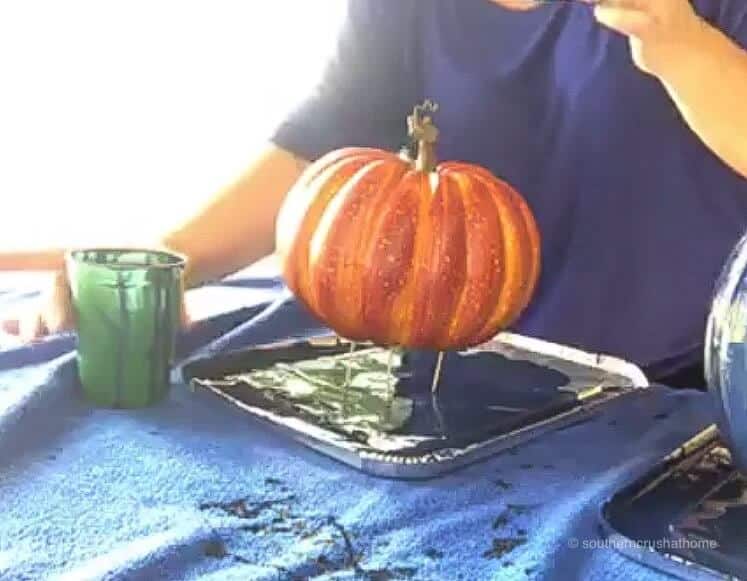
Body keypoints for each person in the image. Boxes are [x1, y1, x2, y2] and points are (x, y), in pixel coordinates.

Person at [2, 0, 747, 388]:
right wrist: (166, 261)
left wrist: (682, 48)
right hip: (445, 380)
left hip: (677, 400)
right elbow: (326, 138)